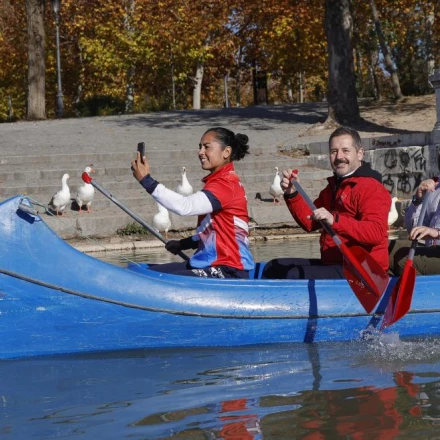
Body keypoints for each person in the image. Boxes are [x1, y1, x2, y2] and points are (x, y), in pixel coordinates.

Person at [262, 126, 391, 279]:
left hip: (365, 270)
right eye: (333, 151)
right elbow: (309, 223)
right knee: (273, 267)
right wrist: (292, 194)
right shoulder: (333, 188)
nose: (339, 156)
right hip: (335, 264)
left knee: (292, 275)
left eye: (345, 150)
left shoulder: (372, 188)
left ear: (360, 154)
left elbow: (375, 233)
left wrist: (334, 220)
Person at [131, 127, 255, 279]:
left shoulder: (225, 185)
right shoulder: (220, 182)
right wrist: (183, 244)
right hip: (209, 264)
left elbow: (185, 206)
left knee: (151, 279)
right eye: (200, 147)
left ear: (226, 152)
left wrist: (147, 181)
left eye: (206, 147)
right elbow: (212, 230)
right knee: (138, 272)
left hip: (228, 269)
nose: (200, 152)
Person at [389, 177, 440, 275]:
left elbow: (434, 232)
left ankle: (424, 290)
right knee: (387, 248)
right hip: (431, 247)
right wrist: (418, 199)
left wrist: (437, 233)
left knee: (404, 261)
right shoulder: (435, 186)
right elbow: (412, 228)